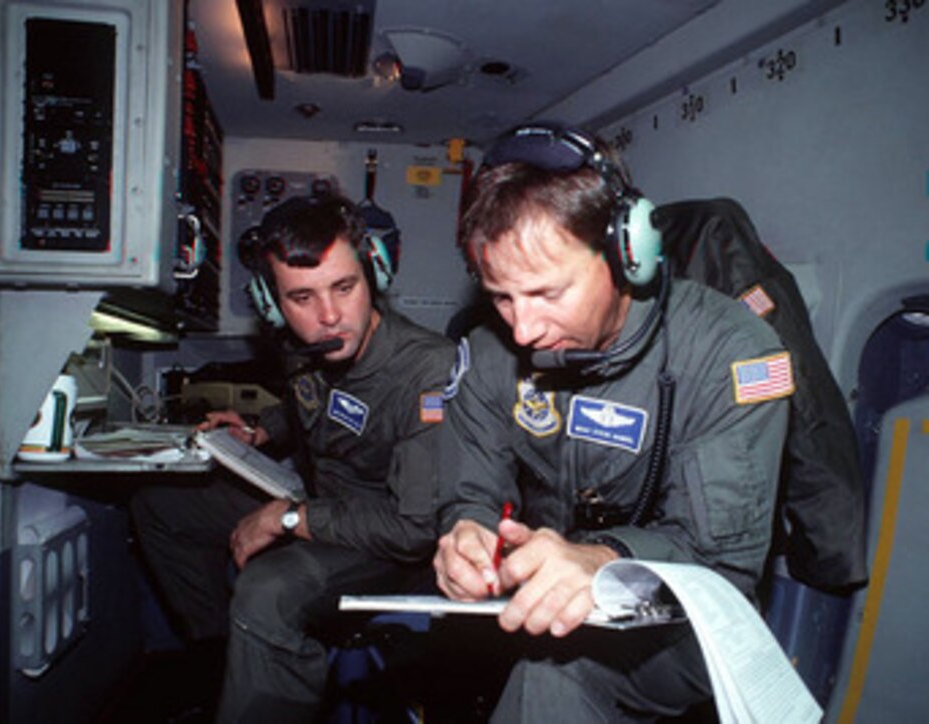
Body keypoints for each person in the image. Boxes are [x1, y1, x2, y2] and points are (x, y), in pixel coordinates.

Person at [432, 123, 795, 720]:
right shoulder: (488, 352)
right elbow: (470, 493)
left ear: (629, 254)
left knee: (554, 679)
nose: (522, 330)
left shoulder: (731, 350)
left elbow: (722, 564)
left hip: (685, 613)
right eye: (501, 297)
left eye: (548, 293)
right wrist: (466, 536)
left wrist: (602, 562)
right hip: (536, 599)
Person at [130, 192, 455, 722]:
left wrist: (288, 518)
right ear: (270, 303)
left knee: (268, 592)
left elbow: (414, 526)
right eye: (301, 298)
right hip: (321, 507)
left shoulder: (426, 371)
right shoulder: (304, 347)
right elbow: (312, 404)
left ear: (374, 273)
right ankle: (229, 663)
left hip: (388, 541)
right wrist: (260, 433)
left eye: (345, 287)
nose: (328, 317)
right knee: (162, 506)